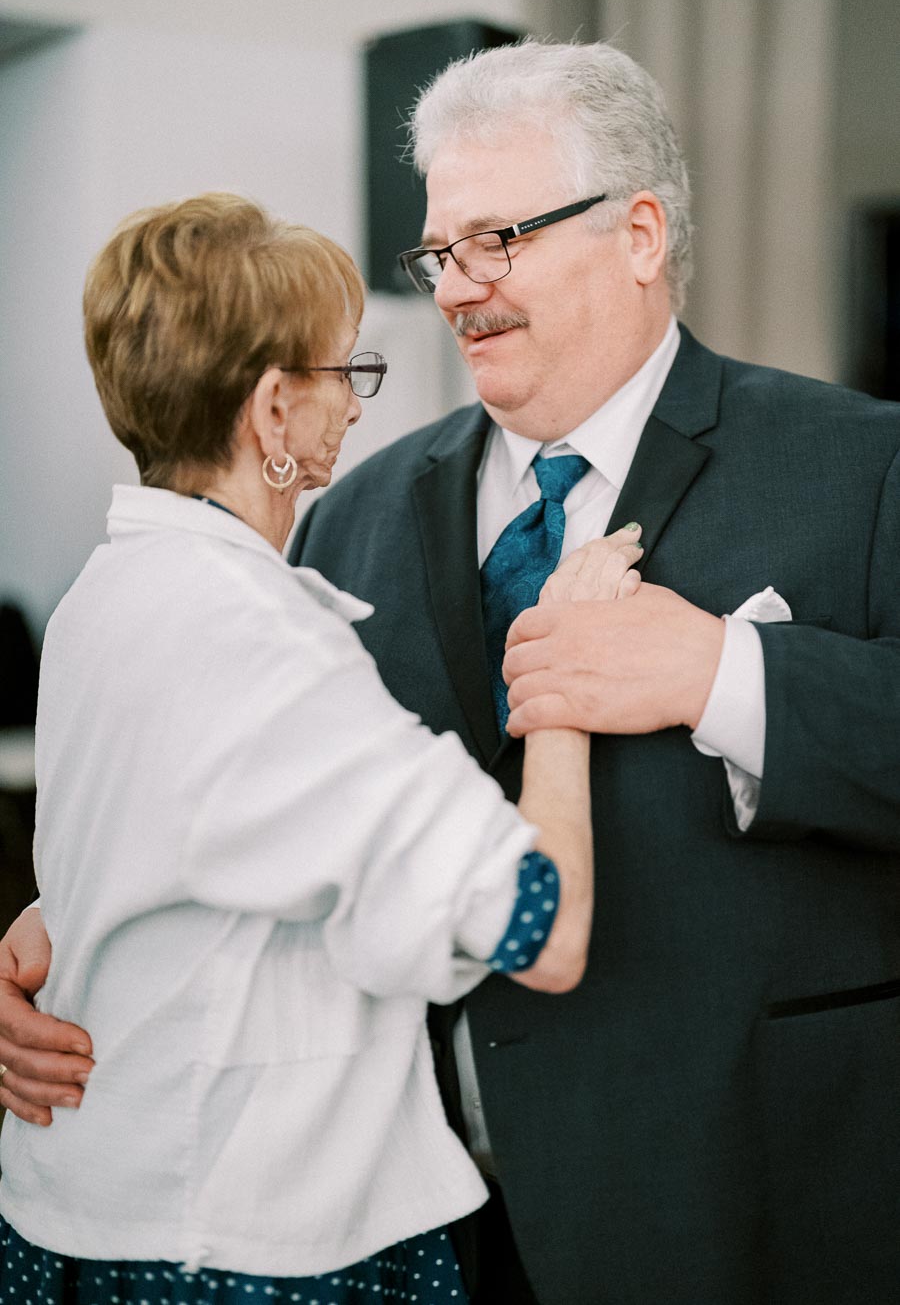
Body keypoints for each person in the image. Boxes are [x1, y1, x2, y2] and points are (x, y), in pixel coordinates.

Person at [2, 40, 899, 1304]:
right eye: (441, 253)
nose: (458, 290)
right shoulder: (349, 511)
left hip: (735, 1199)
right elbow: (275, 798)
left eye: (501, 239)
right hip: (406, 1220)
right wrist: (72, 935)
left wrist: (723, 674)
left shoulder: (861, 464)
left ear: (641, 233)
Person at [0, 190, 645, 1305]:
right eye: (342, 376)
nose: (352, 411)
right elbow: (539, 921)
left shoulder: (103, 594)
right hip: (253, 1244)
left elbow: (183, 852)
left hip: (91, 1204)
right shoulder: (264, 644)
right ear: (270, 413)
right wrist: (566, 675)